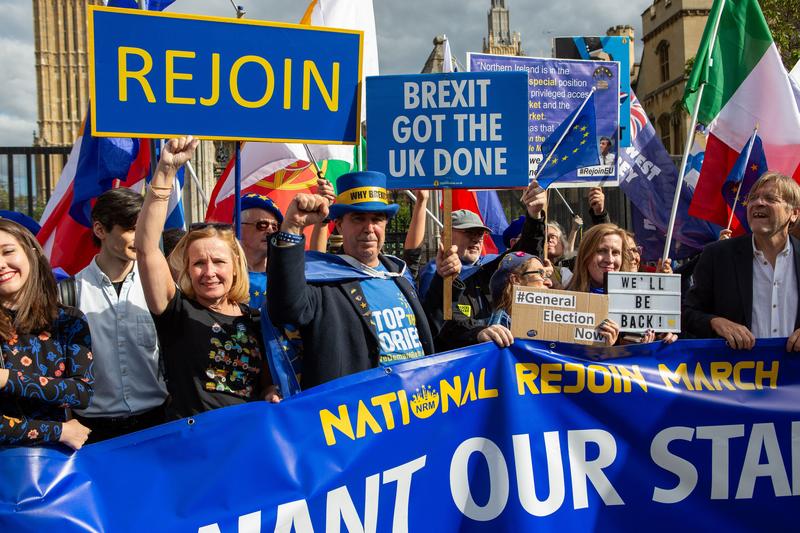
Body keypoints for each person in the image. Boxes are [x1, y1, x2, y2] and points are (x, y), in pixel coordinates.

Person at [136, 137, 275, 419]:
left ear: (236, 267)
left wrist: (270, 391)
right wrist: (165, 172)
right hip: (194, 449)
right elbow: (147, 248)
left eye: (219, 262)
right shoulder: (176, 312)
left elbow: (263, 386)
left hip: (244, 442)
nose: (209, 272)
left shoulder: (256, 320)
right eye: (199, 263)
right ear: (187, 269)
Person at [267, 171, 442, 388]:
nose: (369, 228)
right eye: (358, 218)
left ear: (386, 224)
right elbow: (285, 309)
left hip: (414, 406)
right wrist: (292, 229)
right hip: (359, 414)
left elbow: (432, 331)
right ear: (339, 225)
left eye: (377, 219)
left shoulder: (399, 274)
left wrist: (444, 281)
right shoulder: (323, 281)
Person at [73, 189, 167, 443]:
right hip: (93, 432)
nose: (141, 238)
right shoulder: (70, 293)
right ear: (100, 230)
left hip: (157, 423)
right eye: (131, 229)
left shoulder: (162, 286)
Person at [0, 220, 93, 449]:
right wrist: (60, 431)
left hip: (56, 469)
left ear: (31, 253)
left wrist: (6, 379)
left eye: (8, 252)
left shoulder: (69, 320)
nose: (1, 264)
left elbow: (81, 393)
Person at [683, 171, 800, 351]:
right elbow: (686, 314)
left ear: (793, 213)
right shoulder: (718, 256)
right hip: (736, 376)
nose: (758, 203)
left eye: (770, 198)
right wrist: (715, 322)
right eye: (753, 198)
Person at [417, 209, 495, 298]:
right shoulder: (435, 272)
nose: (476, 239)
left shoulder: (489, 262)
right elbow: (430, 309)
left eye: (480, 234)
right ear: (445, 236)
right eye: (469, 232)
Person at [238, 193, 284, 310]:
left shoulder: (284, 273)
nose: (270, 230)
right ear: (237, 228)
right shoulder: (223, 276)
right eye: (262, 225)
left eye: (274, 227)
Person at [487, 252, 550, 328]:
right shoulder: (497, 331)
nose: (549, 282)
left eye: (547, 276)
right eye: (540, 273)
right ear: (516, 280)